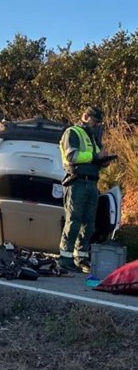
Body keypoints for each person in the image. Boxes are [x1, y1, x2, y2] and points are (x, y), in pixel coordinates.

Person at [58, 106, 112, 273]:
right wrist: (95, 157)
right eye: (95, 121)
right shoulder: (72, 132)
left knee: (89, 223)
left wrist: (103, 160)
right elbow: (72, 156)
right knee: (74, 220)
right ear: (85, 116)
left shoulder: (92, 137)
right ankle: (65, 258)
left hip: (91, 182)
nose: (96, 125)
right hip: (77, 182)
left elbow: (95, 157)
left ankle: (80, 258)